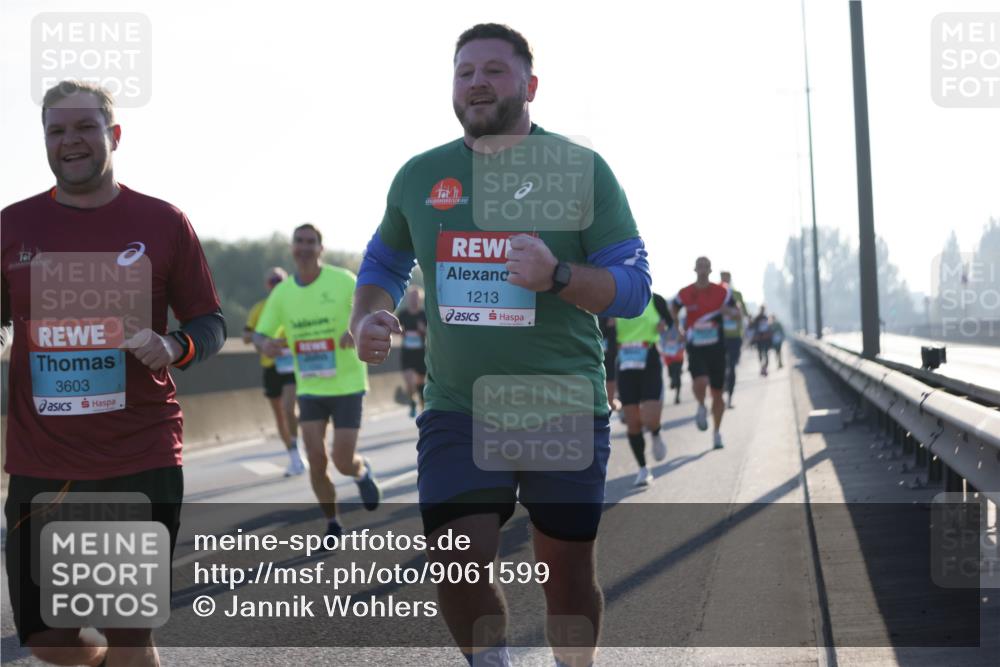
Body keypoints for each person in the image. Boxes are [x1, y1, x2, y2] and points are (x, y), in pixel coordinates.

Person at [349, 24, 651, 667]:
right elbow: (382, 262)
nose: (477, 82)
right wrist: (366, 319)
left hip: (559, 400)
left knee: (564, 576)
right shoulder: (421, 175)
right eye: (465, 72)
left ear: (529, 85)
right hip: (458, 407)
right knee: (454, 561)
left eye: (494, 70)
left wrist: (558, 275)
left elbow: (633, 289)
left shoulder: (580, 169)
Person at [1, 80, 226, 667]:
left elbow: (209, 322)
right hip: (40, 460)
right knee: (46, 639)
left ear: (113, 136)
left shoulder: (161, 221)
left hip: (137, 454)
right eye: (56, 130)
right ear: (44, 141)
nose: (69, 141)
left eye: (84, 128)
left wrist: (173, 344)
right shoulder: (12, 227)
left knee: (127, 630)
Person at [253, 224, 383, 542]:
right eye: (299, 241)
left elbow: (369, 311)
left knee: (341, 460)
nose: (305, 247)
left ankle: (361, 470)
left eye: (311, 242)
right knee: (315, 457)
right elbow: (260, 332)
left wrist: (356, 330)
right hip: (310, 387)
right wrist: (264, 343)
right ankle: (333, 522)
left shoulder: (342, 281)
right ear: (292, 248)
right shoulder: (282, 293)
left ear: (320, 249)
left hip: (348, 385)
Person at [669, 257, 739, 450]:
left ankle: (716, 432)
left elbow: (737, 313)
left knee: (718, 394)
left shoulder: (722, 293)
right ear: (694, 269)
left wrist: (729, 312)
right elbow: (673, 308)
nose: (702, 269)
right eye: (699, 266)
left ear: (710, 270)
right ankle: (701, 405)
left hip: (717, 347)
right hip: (696, 346)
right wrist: (679, 329)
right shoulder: (685, 292)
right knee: (699, 382)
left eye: (705, 266)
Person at [243, 267, 303, 475]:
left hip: (290, 364)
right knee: (279, 415)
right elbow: (246, 336)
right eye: (272, 281)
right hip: (270, 365)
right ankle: (294, 456)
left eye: (279, 280)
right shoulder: (259, 308)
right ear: (267, 286)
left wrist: (288, 342)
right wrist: (265, 340)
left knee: (289, 408)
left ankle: (297, 446)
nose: (275, 284)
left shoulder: (296, 304)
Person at [616, 294, 669, 486]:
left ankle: (655, 432)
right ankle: (643, 468)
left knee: (649, 418)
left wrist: (665, 327)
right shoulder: (614, 300)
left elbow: (670, 324)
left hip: (649, 360)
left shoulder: (656, 300)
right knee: (633, 422)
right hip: (625, 363)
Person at [718, 270, 750, 408]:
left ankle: (729, 397)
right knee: (721, 367)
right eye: (722, 277)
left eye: (727, 277)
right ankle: (721, 392)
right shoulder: (716, 293)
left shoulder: (737, 295)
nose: (724, 279)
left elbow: (744, 313)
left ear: (730, 278)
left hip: (735, 336)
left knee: (731, 367)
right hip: (719, 336)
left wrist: (733, 312)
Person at [397, 286, 428, 418]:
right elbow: (396, 330)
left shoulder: (424, 315)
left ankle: (422, 404)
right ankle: (412, 401)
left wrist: (423, 331)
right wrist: (401, 332)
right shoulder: (403, 314)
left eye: (416, 298)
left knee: (420, 383)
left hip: (421, 353)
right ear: (408, 299)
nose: (413, 300)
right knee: (409, 380)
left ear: (420, 299)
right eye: (411, 298)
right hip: (407, 352)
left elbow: (431, 334)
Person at [659, 318, 685, 405]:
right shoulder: (663, 323)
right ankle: (673, 380)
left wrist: (681, 338)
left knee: (677, 374)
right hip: (668, 354)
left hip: (678, 353)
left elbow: (683, 336)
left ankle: (677, 396)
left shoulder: (678, 324)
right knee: (671, 373)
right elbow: (660, 336)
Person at [598, 316, 621, 413]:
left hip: (609, 346)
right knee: (609, 373)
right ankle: (609, 402)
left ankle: (610, 402)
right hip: (603, 345)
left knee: (610, 372)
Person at [750, 305, 772, 376]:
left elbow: (768, 328)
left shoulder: (766, 317)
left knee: (765, 354)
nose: (763, 310)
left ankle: (764, 368)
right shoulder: (757, 318)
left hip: (765, 339)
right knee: (760, 354)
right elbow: (753, 327)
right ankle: (762, 367)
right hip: (759, 339)